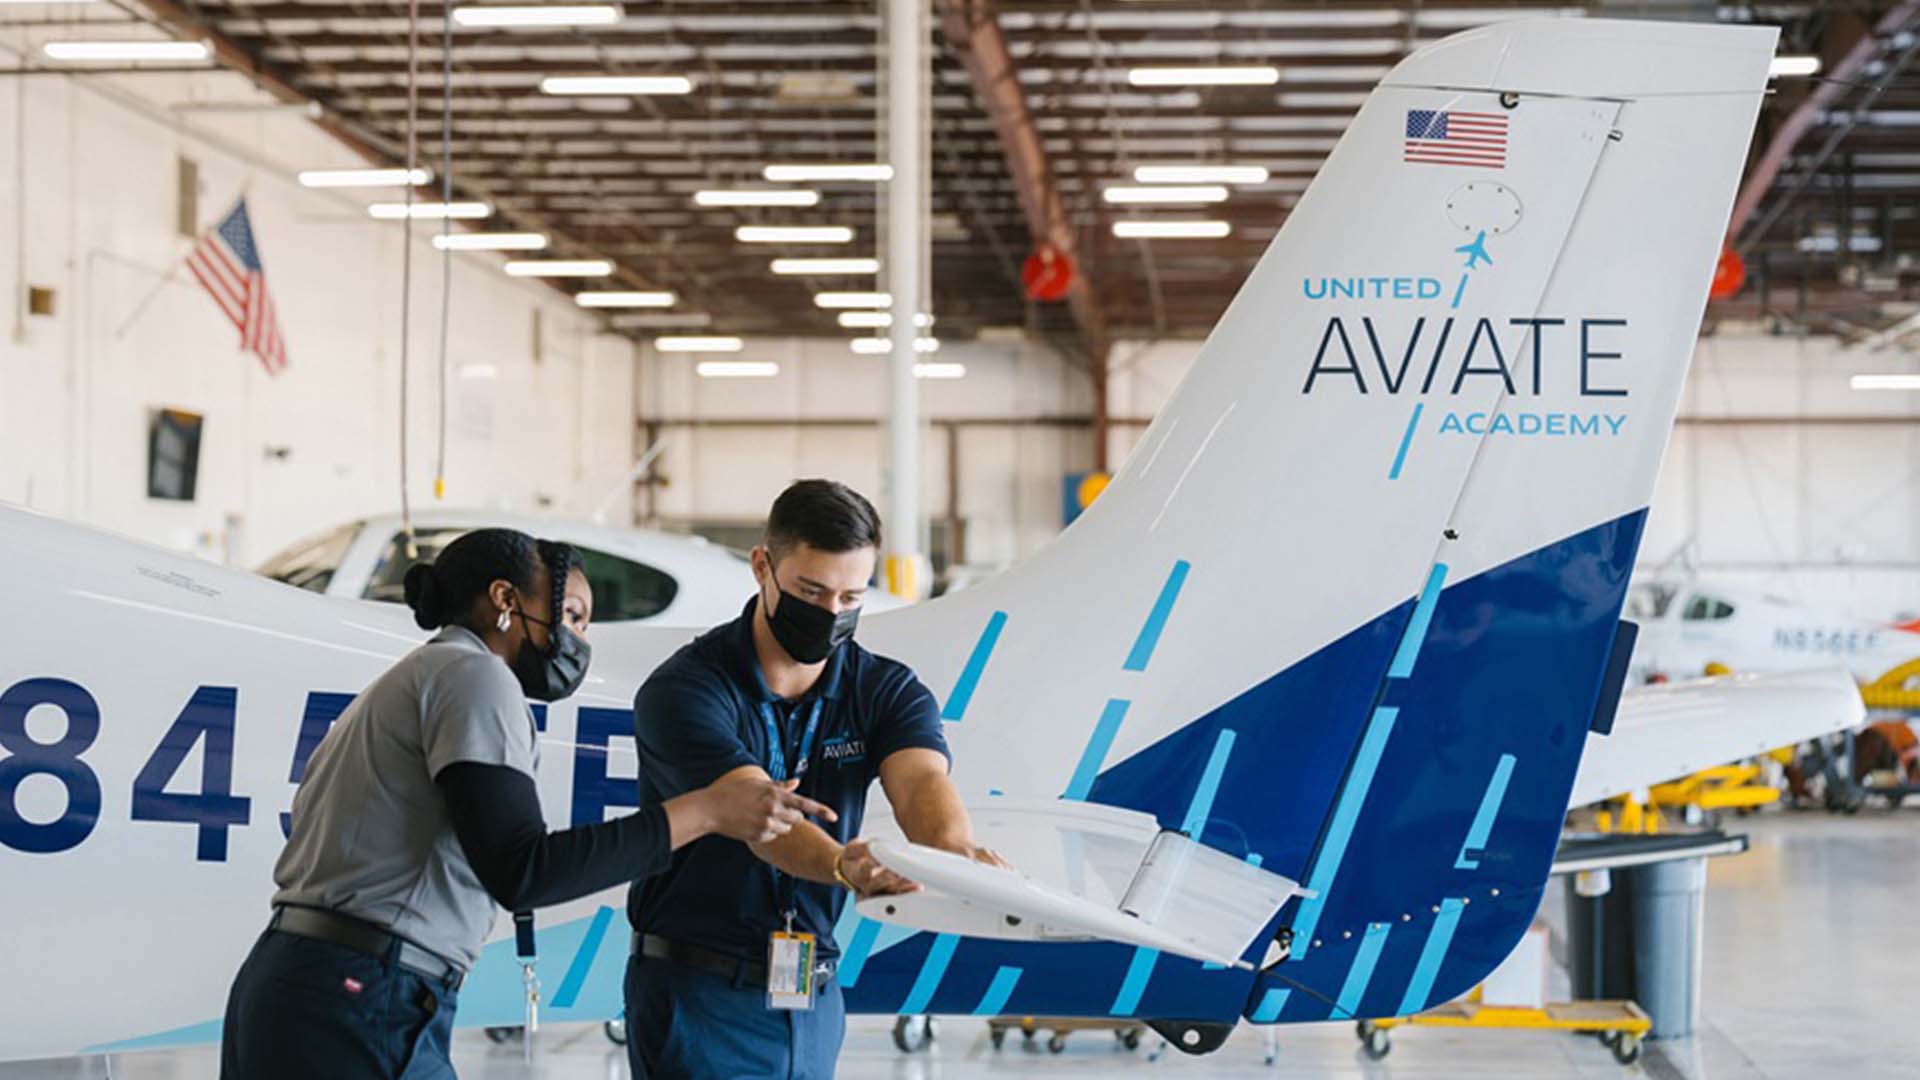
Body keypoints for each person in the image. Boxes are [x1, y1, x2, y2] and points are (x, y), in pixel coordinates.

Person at [220, 528, 832, 1080]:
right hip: (360, 994)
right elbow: (523, 869)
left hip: (303, 983)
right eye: (570, 614)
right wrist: (706, 811)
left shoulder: (414, 678)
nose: (579, 640)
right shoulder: (473, 677)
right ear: (506, 601)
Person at [622, 479, 1002, 1080]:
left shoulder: (884, 689)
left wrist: (951, 852)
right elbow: (760, 819)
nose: (830, 614)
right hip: (699, 993)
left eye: (851, 596)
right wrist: (843, 866)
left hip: (811, 992)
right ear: (761, 566)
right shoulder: (686, 691)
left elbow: (921, 779)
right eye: (810, 590)